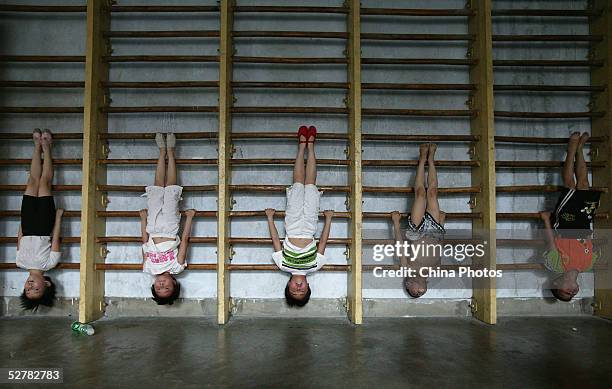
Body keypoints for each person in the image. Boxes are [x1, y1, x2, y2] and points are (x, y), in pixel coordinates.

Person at [265, 125, 333, 307]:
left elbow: (276, 242)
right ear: (308, 286)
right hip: (310, 227)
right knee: (310, 185)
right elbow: (323, 242)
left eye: (294, 290)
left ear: (288, 285)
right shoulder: (315, 266)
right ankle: (311, 147)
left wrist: (270, 219)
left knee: (297, 185)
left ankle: (301, 146)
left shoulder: (283, 265)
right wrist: (328, 220)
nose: (298, 287)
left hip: (293, 225)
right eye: (301, 290)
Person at [540, 132, 601, 302]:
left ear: (556, 283)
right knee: (584, 184)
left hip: (566, 226)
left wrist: (546, 220)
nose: (572, 292)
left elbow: (551, 242)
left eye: (565, 292)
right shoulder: (588, 266)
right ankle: (580, 149)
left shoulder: (556, 265)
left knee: (570, 185)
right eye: (573, 294)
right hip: (584, 225)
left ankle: (571, 149)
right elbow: (591, 246)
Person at [140, 132, 196, 305]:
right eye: (166, 288)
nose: (161, 284)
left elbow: (144, 242)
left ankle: (161, 151)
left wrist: (143, 220)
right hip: (170, 228)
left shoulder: (147, 268)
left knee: (157, 188)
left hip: (153, 227)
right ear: (174, 283)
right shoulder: (177, 268)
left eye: (158, 288)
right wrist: (189, 218)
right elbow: (185, 240)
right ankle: (171, 152)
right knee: (171, 188)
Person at [17, 128, 64, 311]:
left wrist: (21, 223)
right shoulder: (50, 264)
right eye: (36, 289)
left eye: (28, 290)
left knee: (31, 182)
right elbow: (55, 241)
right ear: (47, 284)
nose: (30, 286)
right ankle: (47, 147)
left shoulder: (20, 263)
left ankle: (36, 146)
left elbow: (19, 241)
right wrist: (58, 218)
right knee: (44, 182)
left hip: (28, 225)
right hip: (44, 225)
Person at [392, 143, 445, 298]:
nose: (419, 292)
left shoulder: (406, 268)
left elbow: (400, 246)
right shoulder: (434, 270)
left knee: (421, 194)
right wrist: (442, 224)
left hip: (417, 232)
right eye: (420, 293)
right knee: (433, 193)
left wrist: (396, 223)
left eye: (415, 293)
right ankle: (432, 159)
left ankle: (422, 160)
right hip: (434, 232)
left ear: (409, 285)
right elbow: (440, 249)